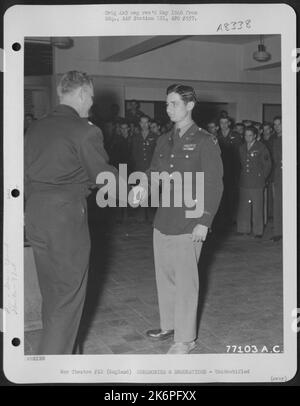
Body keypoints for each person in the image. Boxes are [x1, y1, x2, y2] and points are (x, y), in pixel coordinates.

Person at [24, 71, 118, 354]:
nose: (91, 102)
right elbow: (105, 179)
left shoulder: (36, 128)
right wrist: (134, 188)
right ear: (80, 94)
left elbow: (27, 175)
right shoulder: (85, 130)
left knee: (53, 296)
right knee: (67, 299)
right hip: (65, 221)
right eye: (90, 96)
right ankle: (54, 370)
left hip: (36, 216)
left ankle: (69, 359)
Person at [134, 84, 223, 353]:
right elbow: (153, 171)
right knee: (165, 277)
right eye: (167, 104)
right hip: (164, 220)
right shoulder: (164, 139)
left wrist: (204, 221)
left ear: (190, 105)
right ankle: (169, 325)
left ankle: (185, 339)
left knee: (186, 282)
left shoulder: (206, 141)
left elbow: (214, 184)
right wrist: (143, 186)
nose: (168, 109)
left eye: (174, 103)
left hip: (190, 221)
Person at [236, 126, 271, 237]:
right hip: (244, 181)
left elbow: (267, 165)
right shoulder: (241, 147)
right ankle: (243, 229)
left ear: (255, 135)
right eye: (246, 135)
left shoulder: (261, 147)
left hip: (257, 182)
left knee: (257, 208)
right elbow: (239, 165)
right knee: (243, 207)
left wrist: (262, 178)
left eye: (250, 135)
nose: (247, 137)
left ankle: (258, 231)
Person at [216, 116, 241, 230]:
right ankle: (221, 219)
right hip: (220, 170)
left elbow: (238, 155)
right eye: (222, 122)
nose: (224, 125)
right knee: (221, 196)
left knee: (231, 195)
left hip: (232, 170)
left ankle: (231, 219)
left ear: (229, 123)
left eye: (226, 122)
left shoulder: (235, 136)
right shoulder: (216, 136)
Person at [271, 116, 282, 242]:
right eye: (275, 124)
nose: (277, 126)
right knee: (278, 204)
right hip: (278, 175)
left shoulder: (291, 138)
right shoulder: (275, 140)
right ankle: (278, 231)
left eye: (279, 124)